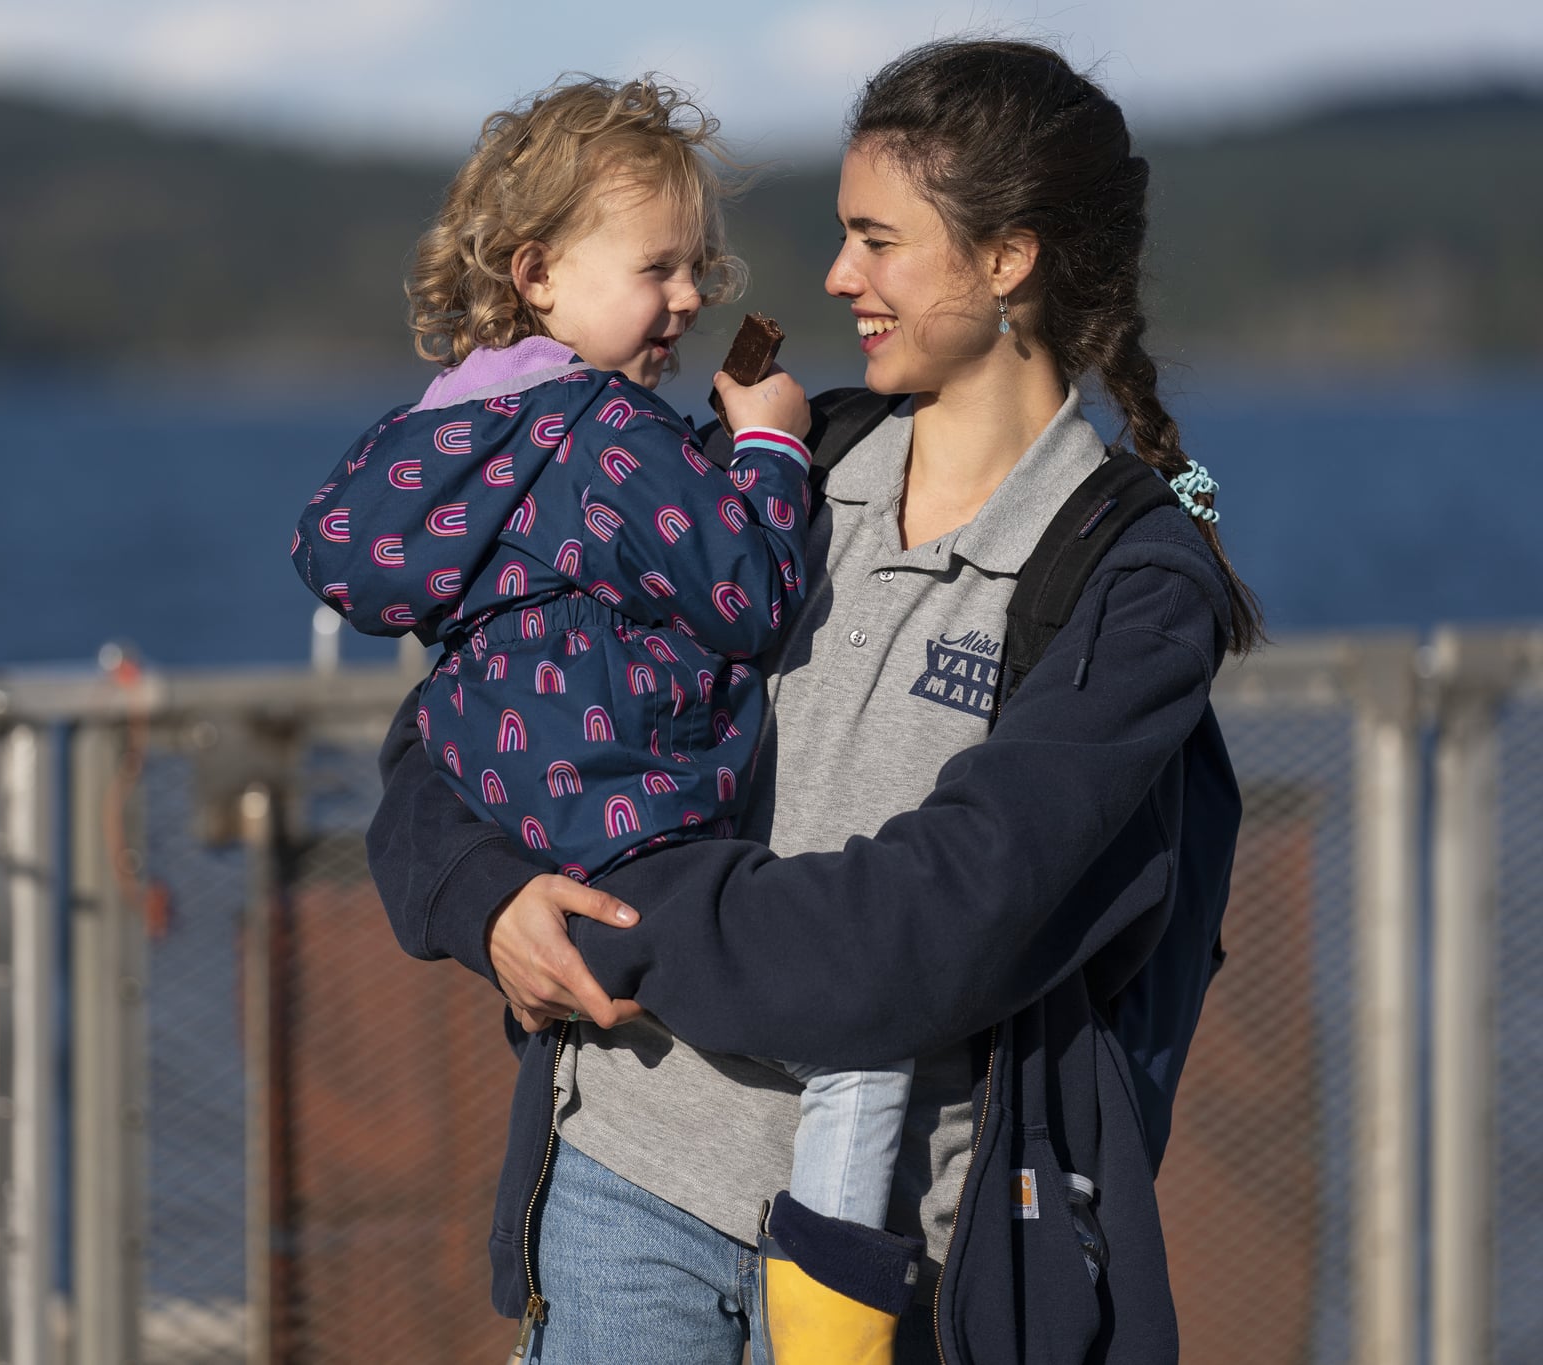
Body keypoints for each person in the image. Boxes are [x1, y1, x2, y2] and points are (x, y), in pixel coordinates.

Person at [363, 38, 1261, 1365]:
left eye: (877, 240)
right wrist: (485, 896)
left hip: (904, 1266)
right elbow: (452, 733)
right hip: (626, 1189)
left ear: (1008, 258)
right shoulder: (761, 473)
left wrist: (619, 919)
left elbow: (918, 932)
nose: (838, 279)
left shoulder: (1134, 586)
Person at [290, 73, 925, 1329]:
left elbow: (359, 569)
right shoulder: (598, 429)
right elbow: (743, 589)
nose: (690, 298)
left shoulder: (443, 432)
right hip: (637, 826)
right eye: (659, 269)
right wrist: (765, 445)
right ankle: (844, 1277)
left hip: (520, 822)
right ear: (537, 273)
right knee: (860, 1044)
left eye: (699, 269)